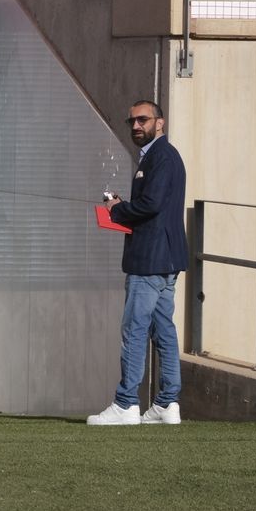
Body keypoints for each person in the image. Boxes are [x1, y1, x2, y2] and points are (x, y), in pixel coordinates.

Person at [90, 100, 187, 426]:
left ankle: (126, 403)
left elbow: (151, 204)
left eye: (143, 120)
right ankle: (166, 403)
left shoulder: (162, 156)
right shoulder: (159, 156)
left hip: (150, 260)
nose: (135, 126)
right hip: (164, 259)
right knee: (163, 331)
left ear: (160, 123)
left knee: (134, 329)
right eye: (131, 120)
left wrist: (117, 209)